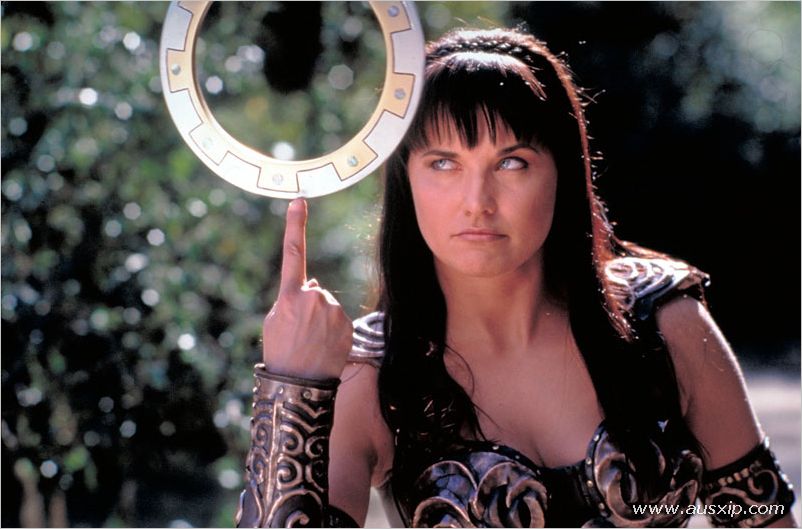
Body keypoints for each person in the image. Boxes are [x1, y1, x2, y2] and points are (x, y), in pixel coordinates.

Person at [235, 27, 796, 528]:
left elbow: (759, 521)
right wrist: (293, 390)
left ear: (563, 174)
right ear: (407, 181)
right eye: (443, 163)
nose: (477, 201)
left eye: (511, 162)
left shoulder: (664, 325)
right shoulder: (373, 376)